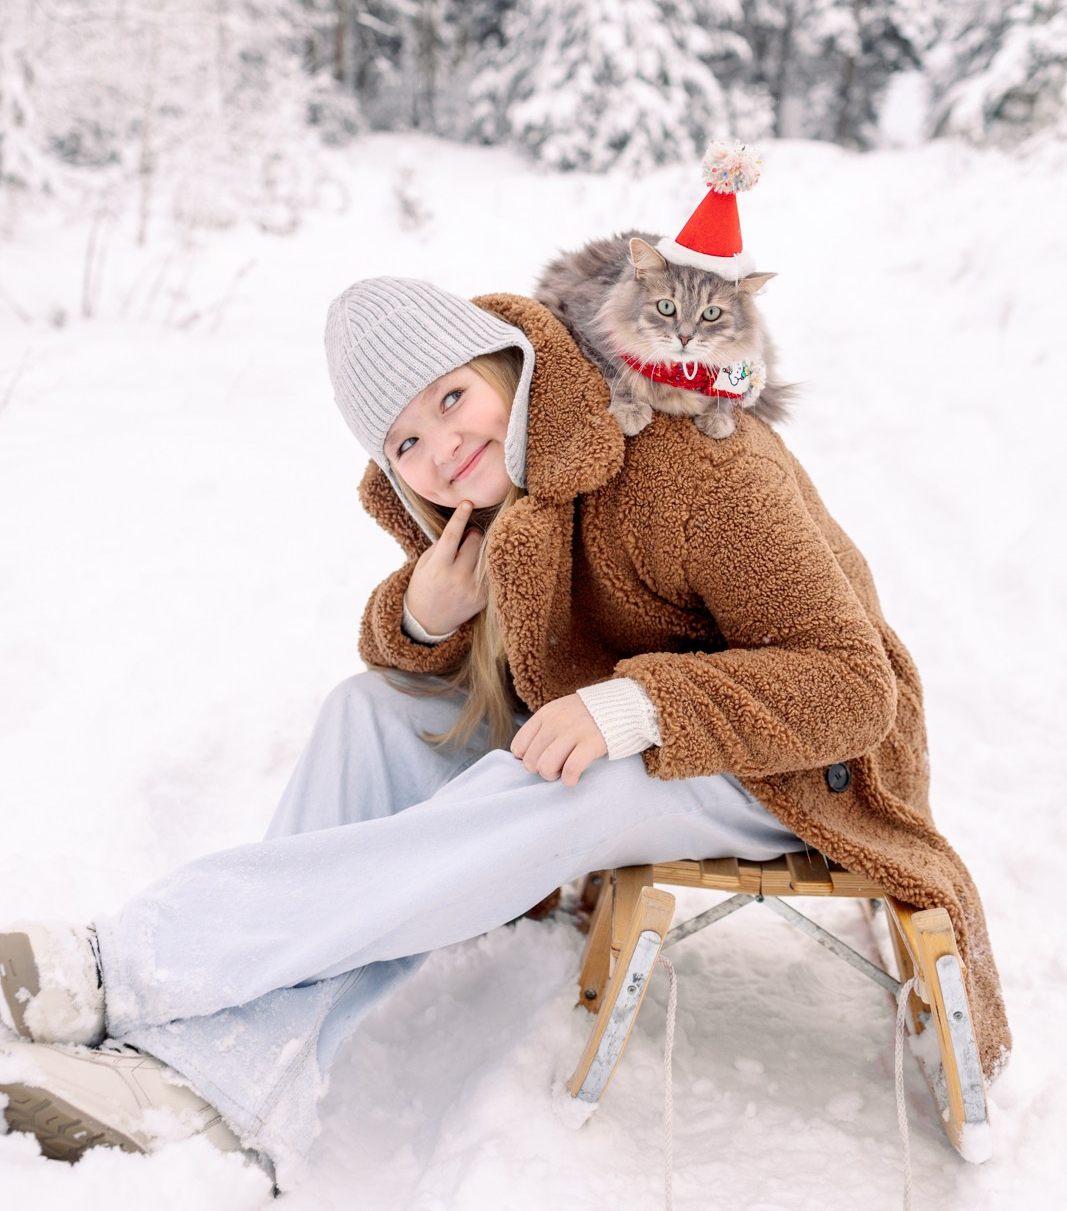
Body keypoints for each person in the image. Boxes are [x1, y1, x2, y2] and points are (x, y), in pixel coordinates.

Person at [0, 277, 1010, 1188]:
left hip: (796, 769)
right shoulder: (501, 499)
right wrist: (427, 615)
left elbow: (850, 686)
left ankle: (122, 963)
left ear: (508, 363)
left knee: (567, 779)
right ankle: (222, 1085)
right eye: (403, 441)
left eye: (449, 397)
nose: (439, 446)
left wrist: (634, 706)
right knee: (369, 709)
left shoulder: (695, 458)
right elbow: (436, 662)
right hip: (638, 739)